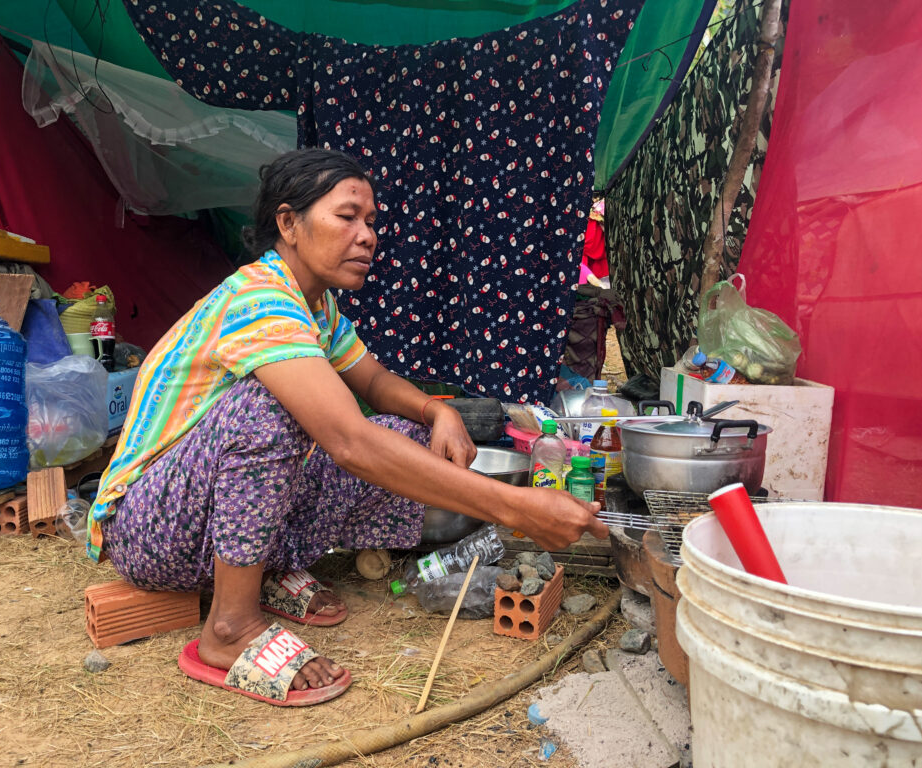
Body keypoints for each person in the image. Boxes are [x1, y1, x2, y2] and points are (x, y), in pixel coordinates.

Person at [88, 148, 607, 707]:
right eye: (347, 217)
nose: (367, 236)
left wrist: (439, 412)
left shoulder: (317, 307)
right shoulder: (258, 298)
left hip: (206, 524)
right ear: (289, 224)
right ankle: (230, 627)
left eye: (372, 222)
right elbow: (349, 443)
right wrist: (515, 508)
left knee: (406, 434)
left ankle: (270, 569)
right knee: (268, 410)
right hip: (149, 529)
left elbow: (375, 382)